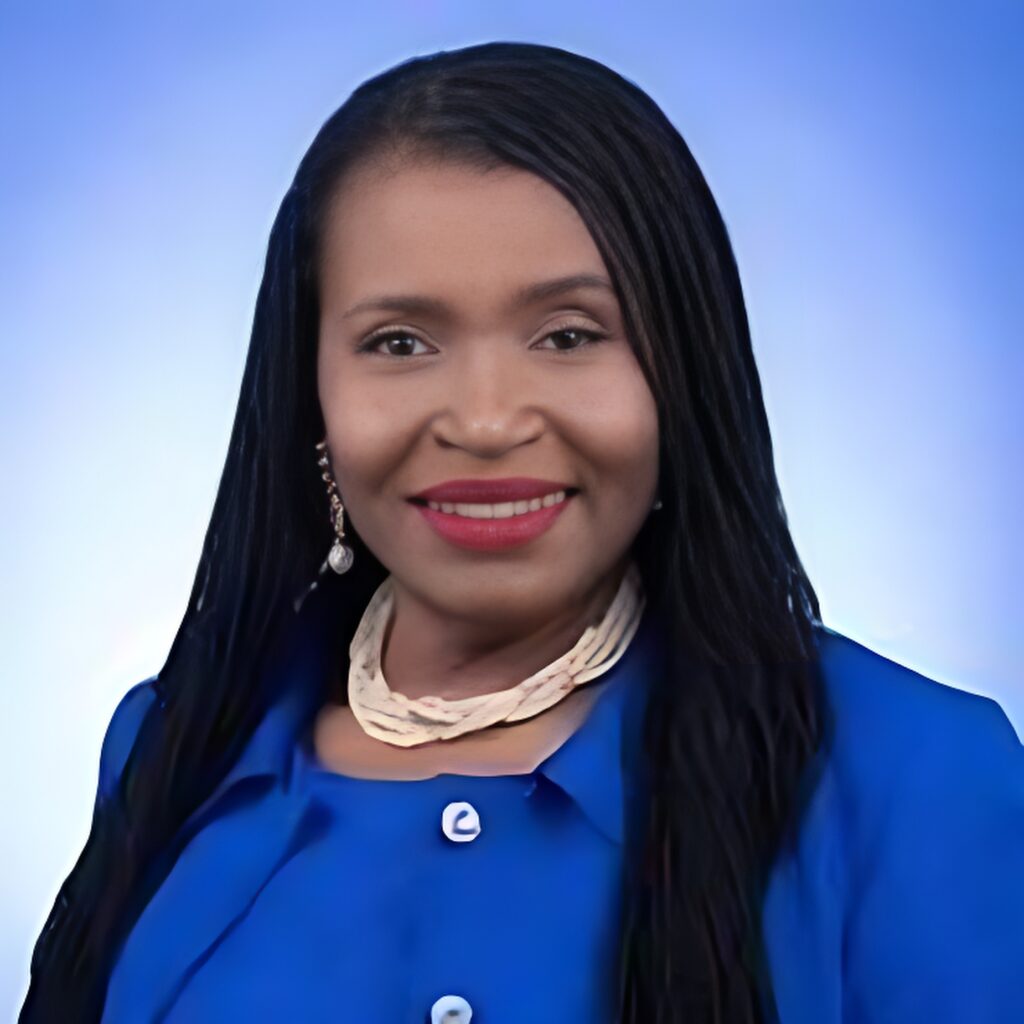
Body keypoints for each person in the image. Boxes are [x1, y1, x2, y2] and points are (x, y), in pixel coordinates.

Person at [20, 41, 1024, 1024]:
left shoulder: (915, 772)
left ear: (684, 377)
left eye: (569, 335)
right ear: (307, 398)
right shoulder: (171, 747)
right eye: (399, 342)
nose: (487, 420)